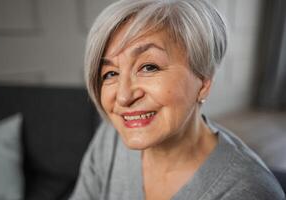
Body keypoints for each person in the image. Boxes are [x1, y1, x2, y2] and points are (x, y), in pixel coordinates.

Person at [70, 0, 285, 199]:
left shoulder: (249, 191)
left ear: (203, 82)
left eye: (148, 67)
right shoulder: (111, 137)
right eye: (110, 73)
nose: (124, 97)